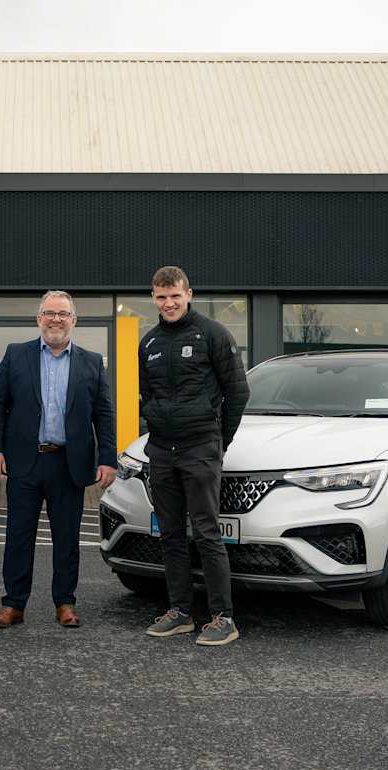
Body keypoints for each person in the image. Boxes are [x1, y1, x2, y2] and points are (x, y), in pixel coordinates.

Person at [0, 291, 117, 629]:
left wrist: (107, 458)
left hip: (69, 463)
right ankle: (13, 605)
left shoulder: (91, 361)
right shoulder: (16, 355)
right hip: (25, 461)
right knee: (18, 536)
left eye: (63, 314)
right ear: (39, 318)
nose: (56, 319)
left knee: (67, 538)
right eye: (49, 313)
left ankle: (65, 602)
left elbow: (104, 414)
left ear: (74, 320)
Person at [139, 266, 249, 645]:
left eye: (175, 295)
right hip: (162, 450)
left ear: (189, 294)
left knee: (206, 532)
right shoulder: (149, 343)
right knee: (170, 533)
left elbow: (238, 392)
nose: (168, 303)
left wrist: (218, 441)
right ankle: (180, 612)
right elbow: (148, 396)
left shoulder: (212, 334)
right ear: (154, 298)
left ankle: (223, 618)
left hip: (200, 448)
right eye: (161, 297)